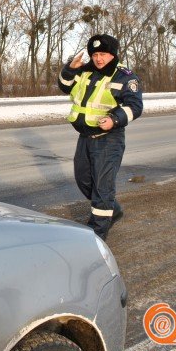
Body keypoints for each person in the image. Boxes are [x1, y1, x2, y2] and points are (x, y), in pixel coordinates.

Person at [58, 34, 143, 240]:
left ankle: (96, 236)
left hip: (109, 139)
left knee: (102, 188)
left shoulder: (124, 76)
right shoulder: (86, 71)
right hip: (85, 138)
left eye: (103, 54)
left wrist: (115, 119)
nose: (98, 58)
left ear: (112, 54)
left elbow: (135, 106)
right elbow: (65, 86)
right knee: (84, 181)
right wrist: (71, 68)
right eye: (95, 54)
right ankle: (112, 209)